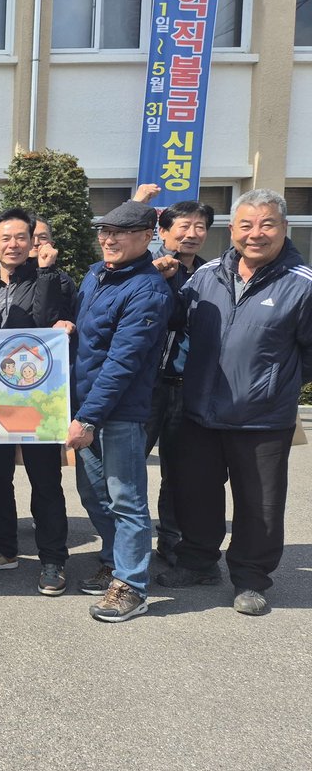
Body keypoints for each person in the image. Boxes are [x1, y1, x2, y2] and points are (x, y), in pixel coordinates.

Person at [160, 189, 312, 615]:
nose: (255, 233)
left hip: (262, 418)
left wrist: (274, 384)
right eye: (246, 225)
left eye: (267, 224)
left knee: (259, 504)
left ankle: (250, 578)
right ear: (232, 230)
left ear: (284, 228)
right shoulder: (206, 275)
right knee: (196, 494)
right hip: (200, 412)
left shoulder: (301, 283)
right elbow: (178, 323)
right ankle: (198, 562)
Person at [65, 202, 172, 623]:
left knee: (126, 500)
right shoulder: (96, 273)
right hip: (85, 407)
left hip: (119, 414)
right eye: (104, 231)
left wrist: (89, 417)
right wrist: (65, 326)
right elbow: (88, 341)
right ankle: (113, 562)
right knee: (94, 494)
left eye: (120, 233)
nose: (109, 239)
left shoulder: (148, 291)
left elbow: (122, 362)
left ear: (146, 236)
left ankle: (132, 585)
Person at [0, 209, 69, 595]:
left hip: (38, 396)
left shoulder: (53, 278)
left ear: (33, 242)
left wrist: (45, 273)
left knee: (45, 479)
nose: (13, 244)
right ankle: (3, 548)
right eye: (5, 238)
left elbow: (44, 320)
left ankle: (53, 559)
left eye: (21, 237)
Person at [139, 200, 214, 567]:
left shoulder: (211, 275)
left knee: (179, 471)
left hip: (190, 387)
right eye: (184, 226)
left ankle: (171, 542)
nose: (192, 234)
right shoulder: (144, 270)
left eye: (200, 227)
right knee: (128, 468)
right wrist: (159, 279)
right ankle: (123, 546)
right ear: (163, 231)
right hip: (147, 385)